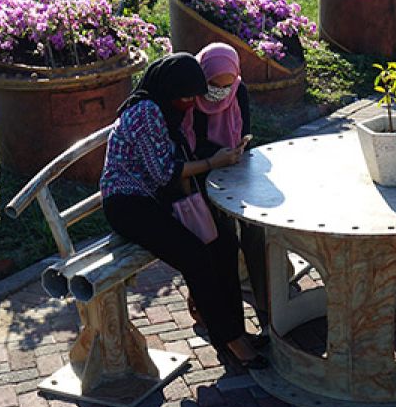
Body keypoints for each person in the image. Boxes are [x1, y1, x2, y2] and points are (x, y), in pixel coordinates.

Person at [99, 53, 266, 370]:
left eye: (194, 95)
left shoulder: (165, 109)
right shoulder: (147, 112)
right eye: (186, 96)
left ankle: (234, 330)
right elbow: (165, 172)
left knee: (225, 244)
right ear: (170, 89)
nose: (191, 102)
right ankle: (229, 339)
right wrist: (214, 162)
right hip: (128, 203)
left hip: (158, 198)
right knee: (196, 256)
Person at [184, 43, 270, 337]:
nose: (220, 92)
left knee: (256, 231)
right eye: (213, 85)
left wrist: (236, 151)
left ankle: (266, 307)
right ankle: (224, 312)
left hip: (235, 168)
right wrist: (216, 158)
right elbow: (191, 144)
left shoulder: (239, 92)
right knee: (221, 236)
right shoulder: (191, 96)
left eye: (226, 85)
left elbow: (244, 131)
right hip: (202, 173)